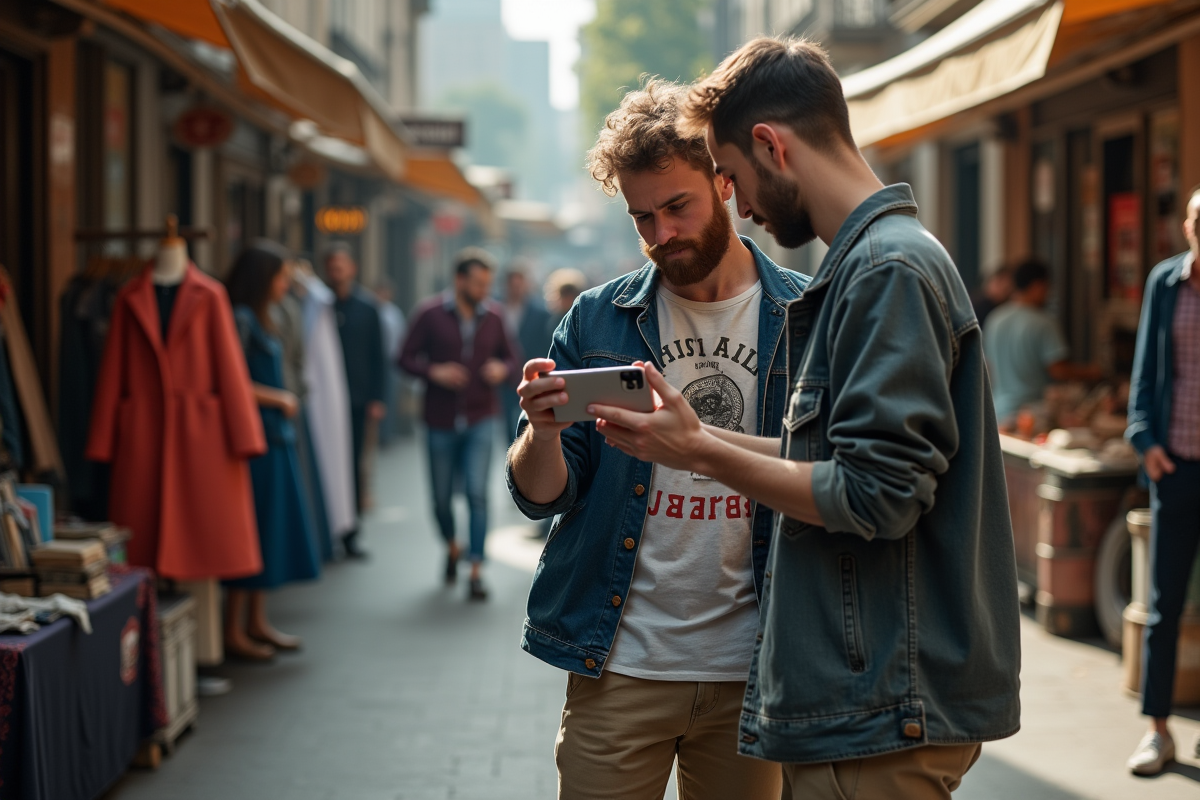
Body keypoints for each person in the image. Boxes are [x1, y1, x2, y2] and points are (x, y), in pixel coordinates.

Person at [577, 37, 1021, 798]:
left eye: (733, 179)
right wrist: (693, 436)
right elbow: (825, 454)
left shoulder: (883, 270)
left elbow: (873, 495)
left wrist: (706, 455)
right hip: (874, 697)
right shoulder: (872, 263)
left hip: (883, 701)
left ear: (769, 145)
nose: (740, 205)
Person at [507, 80, 808, 799]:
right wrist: (542, 433)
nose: (662, 234)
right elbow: (541, 494)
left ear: (725, 183)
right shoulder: (598, 320)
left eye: (678, 207)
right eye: (643, 218)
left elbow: (836, 475)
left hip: (757, 671)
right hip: (620, 665)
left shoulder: (805, 316)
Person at [1124, 186, 1200, 775]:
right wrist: (1146, 445)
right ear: (1186, 225)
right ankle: (1157, 730)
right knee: (1162, 606)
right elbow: (1144, 374)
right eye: (1199, 220)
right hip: (1173, 468)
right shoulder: (1164, 283)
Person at [399, 249, 517, 601]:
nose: (485, 289)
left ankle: (476, 568)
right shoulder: (429, 314)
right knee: (440, 499)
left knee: (478, 494)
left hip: (481, 417)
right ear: (459, 280)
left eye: (488, 284)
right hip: (439, 421)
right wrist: (434, 371)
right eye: (479, 283)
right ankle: (452, 545)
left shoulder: (495, 317)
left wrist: (502, 369)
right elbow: (403, 358)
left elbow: (513, 357)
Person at [222, 241, 321, 661]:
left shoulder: (266, 316)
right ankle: (234, 629)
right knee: (256, 529)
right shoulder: (242, 319)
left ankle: (256, 622)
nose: (286, 283)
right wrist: (279, 399)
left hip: (274, 438)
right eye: (281, 276)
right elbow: (231, 381)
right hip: (258, 439)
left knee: (269, 530)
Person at [324, 243, 387, 558]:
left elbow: (379, 356)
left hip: (358, 399)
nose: (337, 272)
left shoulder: (368, 308)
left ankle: (350, 532)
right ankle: (327, 531)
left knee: (352, 463)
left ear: (353, 268)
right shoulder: (319, 306)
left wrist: (378, 397)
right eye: (331, 266)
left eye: (341, 266)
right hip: (322, 401)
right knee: (326, 461)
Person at [983, 258, 1102, 424]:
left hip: (998, 412)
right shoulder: (1044, 323)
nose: (1048, 293)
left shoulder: (994, 319)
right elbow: (1058, 370)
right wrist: (1093, 371)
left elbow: (988, 368)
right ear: (1037, 286)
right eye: (1047, 287)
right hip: (1033, 416)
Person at [500, 266, 552, 442]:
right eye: (512, 284)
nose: (516, 288)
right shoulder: (494, 308)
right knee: (506, 426)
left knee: (526, 425)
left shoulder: (540, 312)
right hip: (503, 378)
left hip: (530, 374)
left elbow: (545, 344)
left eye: (519, 284)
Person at [374, 279, 407, 445]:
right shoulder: (373, 310)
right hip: (376, 359)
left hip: (391, 361)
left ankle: (387, 433)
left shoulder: (394, 313)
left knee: (390, 398)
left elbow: (401, 338)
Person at [971, 263, 1013, 327]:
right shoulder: (977, 305)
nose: (1003, 288)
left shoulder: (1006, 308)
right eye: (999, 283)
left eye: (1007, 288)